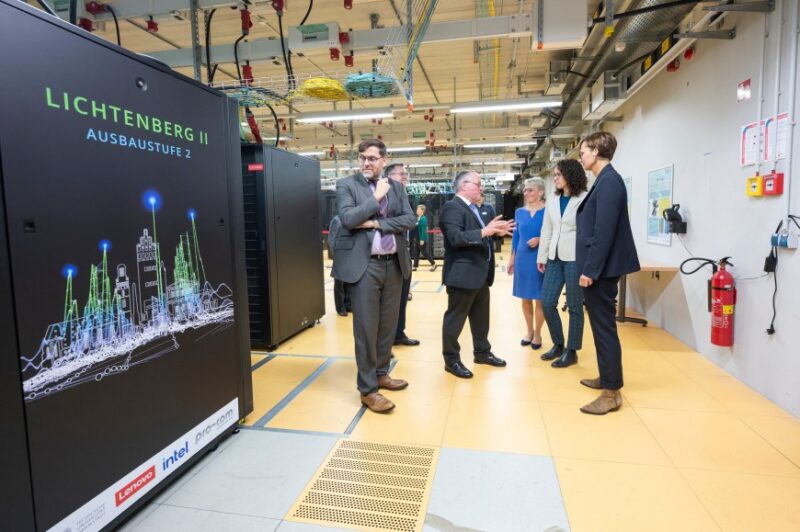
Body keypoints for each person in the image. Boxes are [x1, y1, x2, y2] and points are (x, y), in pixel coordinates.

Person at [333, 139, 417, 413]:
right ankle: (368, 389)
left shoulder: (398, 187)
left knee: (387, 326)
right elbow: (348, 219)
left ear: (383, 159)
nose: (366, 163)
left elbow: (409, 220)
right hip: (364, 266)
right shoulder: (347, 185)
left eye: (371, 158)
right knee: (366, 329)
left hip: (393, 264)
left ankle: (382, 373)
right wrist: (376, 198)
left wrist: (376, 223)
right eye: (362, 158)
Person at [576, 131, 640, 415]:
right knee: (601, 327)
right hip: (599, 268)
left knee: (604, 329)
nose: (581, 156)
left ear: (598, 151)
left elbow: (604, 232)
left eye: (583, 152)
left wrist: (590, 270)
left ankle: (611, 392)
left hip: (601, 270)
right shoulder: (603, 181)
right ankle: (607, 377)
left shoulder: (610, 182)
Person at [440, 171, 515, 378]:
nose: (482, 187)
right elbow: (455, 237)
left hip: (480, 273)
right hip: (462, 274)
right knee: (455, 320)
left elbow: (479, 235)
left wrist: (494, 232)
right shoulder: (452, 207)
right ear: (464, 185)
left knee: (481, 318)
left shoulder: (473, 209)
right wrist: (485, 232)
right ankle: (451, 360)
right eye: (478, 183)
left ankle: (482, 352)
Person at [537, 159, 589, 368]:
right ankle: (558, 343)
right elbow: (547, 229)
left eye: (558, 174)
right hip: (554, 257)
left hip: (575, 258)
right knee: (547, 302)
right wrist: (542, 257)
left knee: (575, 306)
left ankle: (572, 350)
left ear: (571, 175)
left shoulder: (585, 198)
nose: (555, 178)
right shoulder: (552, 198)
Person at [507, 178, 546, 350]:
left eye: (530, 190)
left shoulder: (547, 212)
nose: (526, 193)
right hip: (522, 258)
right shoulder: (519, 213)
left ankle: (538, 333)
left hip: (539, 259)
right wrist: (511, 259)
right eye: (525, 190)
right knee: (525, 298)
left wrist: (540, 239)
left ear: (540, 192)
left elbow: (553, 234)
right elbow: (516, 237)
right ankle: (529, 331)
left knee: (540, 299)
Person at [384, 162, 421, 347]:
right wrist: (404, 221)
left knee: (402, 297)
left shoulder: (404, 195)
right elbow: (397, 222)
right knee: (387, 304)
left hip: (402, 254)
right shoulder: (383, 196)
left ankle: (399, 333)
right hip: (387, 254)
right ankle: (384, 341)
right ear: (389, 176)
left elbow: (410, 221)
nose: (405, 176)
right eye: (401, 174)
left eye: (406, 173)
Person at [327, 215, 351, 316]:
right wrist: (335, 255)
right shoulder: (337, 220)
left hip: (350, 253)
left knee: (349, 281)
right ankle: (340, 307)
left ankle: (348, 304)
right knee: (339, 283)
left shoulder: (351, 218)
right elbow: (331, 239)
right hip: (339, 254)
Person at [412, 204, 437, 272]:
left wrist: (422, 239)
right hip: (417, 239)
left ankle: (433, 264)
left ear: (422, 210)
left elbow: (424, 230)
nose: (417, 210)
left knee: (424, 253)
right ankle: (415, 266)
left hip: (421, 239)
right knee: (416, 252)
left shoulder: (423, 219)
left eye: (418, 209)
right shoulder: (418, 218)